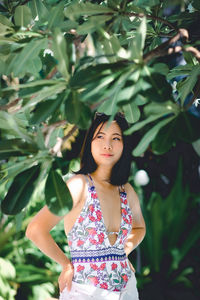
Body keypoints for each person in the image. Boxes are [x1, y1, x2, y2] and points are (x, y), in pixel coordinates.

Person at [26, 112, 146, 300]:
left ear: (124, 145)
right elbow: (35, 229)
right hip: (86, 291)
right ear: (89, 142)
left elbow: (139, 227)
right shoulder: (79, 185)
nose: (108, 145)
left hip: (127, 290)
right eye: (100, 137)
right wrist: (66, 264)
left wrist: (123, 252)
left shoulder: (126, 191)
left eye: (116, 138)